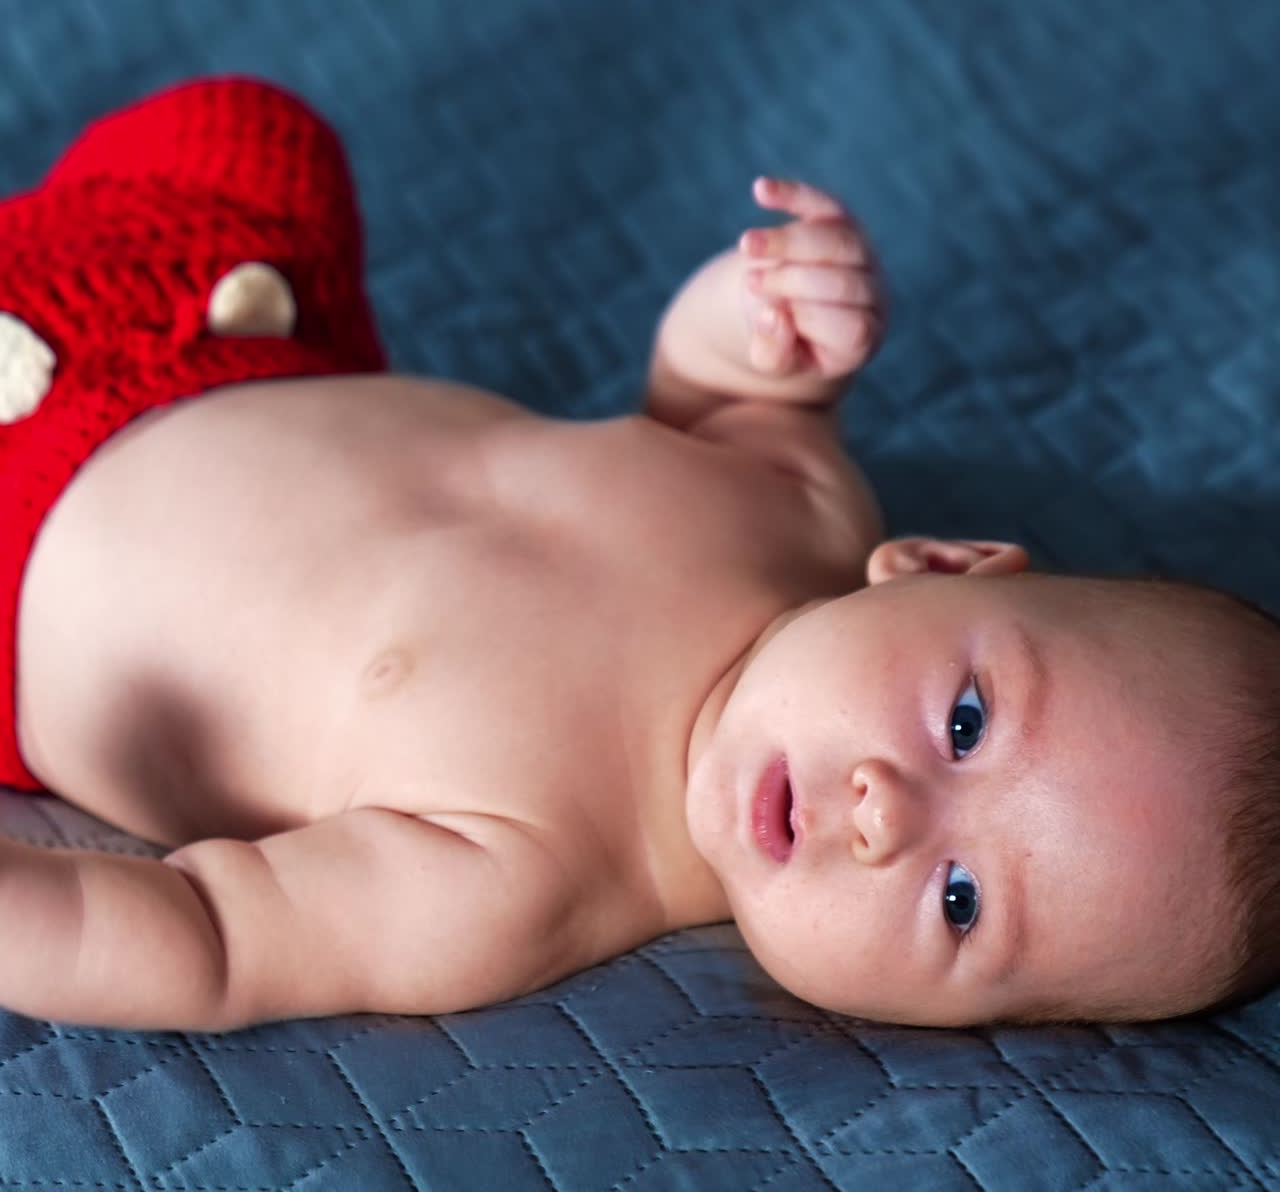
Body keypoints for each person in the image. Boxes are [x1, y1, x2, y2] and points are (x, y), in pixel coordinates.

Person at [2, 78, 1277, 1031]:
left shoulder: (523, 877)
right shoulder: (799, 502)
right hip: (214, 330)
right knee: (252, 137)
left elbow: (209, 939)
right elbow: (713, 392)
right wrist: (767, 317)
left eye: (960, 903)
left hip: (22, 581)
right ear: (939, 564)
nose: (887, 811)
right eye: (962, 719)